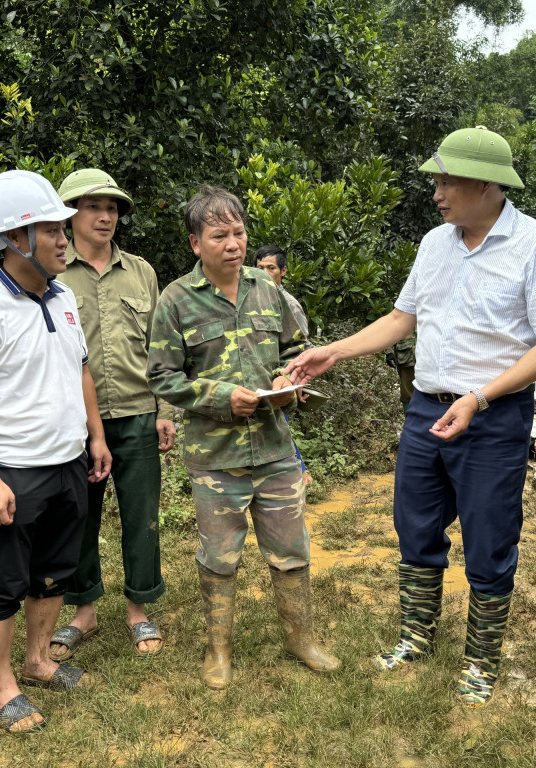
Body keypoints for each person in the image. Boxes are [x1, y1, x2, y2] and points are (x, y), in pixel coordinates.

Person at [286, 127, 536, 707]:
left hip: (492, 414)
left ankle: (480, 658)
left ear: (489, 185)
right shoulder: (435, 243)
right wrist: (334, 350)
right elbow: (402, 319)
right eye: (436, 181)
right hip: (425, 409)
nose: (437, 193)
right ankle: (416, 637)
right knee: (415, 528)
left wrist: (481, 397)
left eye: (448, 181)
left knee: (490, 538)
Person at [147, 184, 339, 689]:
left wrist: (287, 382)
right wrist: (218, 398)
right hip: (216, 457)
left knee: (291, 550)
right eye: (219, 235)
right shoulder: (175, 300)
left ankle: (301, 639)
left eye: (238, 232)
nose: (232, 244)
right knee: (219, 556)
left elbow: (299, 351)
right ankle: (218, 651)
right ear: (196, 243)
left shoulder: (267, 288)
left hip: (275, 449)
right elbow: (163, 377)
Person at [0, 169, 112, 732]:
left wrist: (94, 436)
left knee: (53, 573)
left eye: (64, 230)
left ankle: (38, 660)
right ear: (15, 239)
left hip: (68, 462)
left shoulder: (63, 297)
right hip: (14, 469)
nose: (66, 239)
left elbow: (81, 370)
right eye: (53, 230)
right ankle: (3, 687)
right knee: (4, 584)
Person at [47, 168, 174, 662]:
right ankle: (83, 609)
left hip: (140, 413)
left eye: (113, 207)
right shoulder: (51, 273)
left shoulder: (141, 272)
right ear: (69, 215)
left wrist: (165, 409)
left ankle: (139, 608)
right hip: (75, 422)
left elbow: (161, 348)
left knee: (142, 515)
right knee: (78, 516)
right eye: (93, 206)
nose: (105, 216)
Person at [254, 243, 313, 485]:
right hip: (260, 381)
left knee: (279, 429)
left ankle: (300, 475)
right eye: (259, 268)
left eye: (270, 268)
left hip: (282, 380)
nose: (265, 272)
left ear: (283, 271)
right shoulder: (252, 299)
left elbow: (302, 347)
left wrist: (297, 380)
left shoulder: (290, 304)